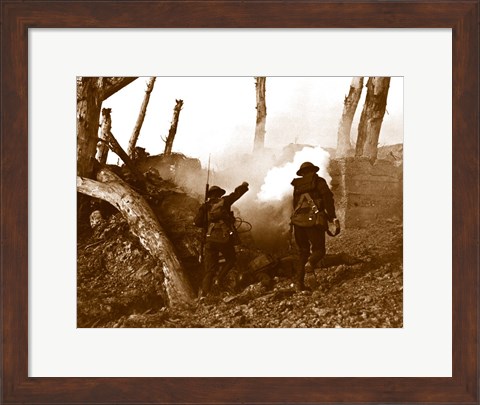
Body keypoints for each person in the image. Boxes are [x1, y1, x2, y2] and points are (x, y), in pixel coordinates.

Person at [290, 161, 339, 291]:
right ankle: (310, 264)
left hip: (298, 222)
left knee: (303, 252)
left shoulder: (297, 185)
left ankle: (299, 285)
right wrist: (332, 216)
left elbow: (295, 205)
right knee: (319, 251)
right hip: (313, 221)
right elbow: (328, 198)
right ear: (313, 171)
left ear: (302, 173)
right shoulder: (318, 181)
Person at [195, 181, 249, 298]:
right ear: (219, 194)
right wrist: (244, 186)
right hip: (224, 238)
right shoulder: (224, 201)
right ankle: (218, 279)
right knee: (231, 259)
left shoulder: (205, 206)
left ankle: (204, 295)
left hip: (210, 239)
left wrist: (207, 219)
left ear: (209, 195)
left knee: (209, 270)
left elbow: (197, 222)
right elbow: (236, 194)